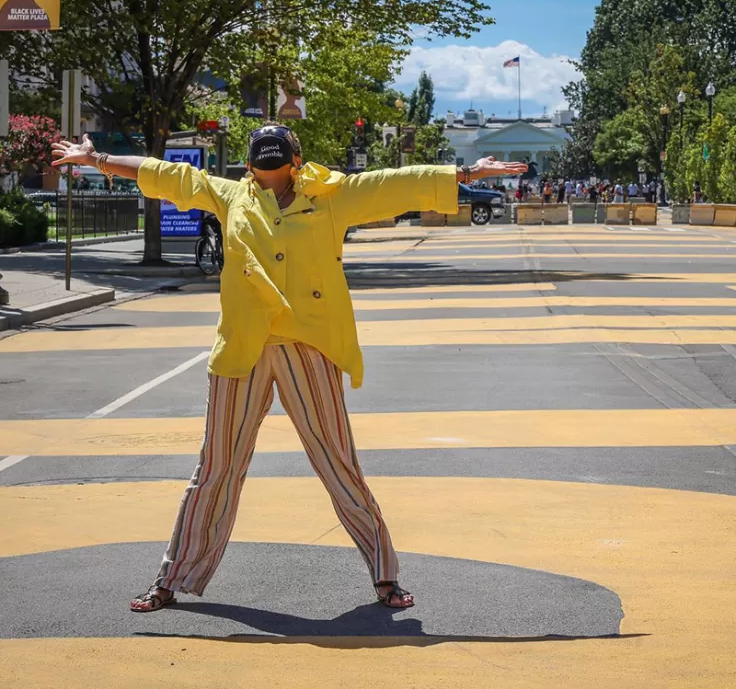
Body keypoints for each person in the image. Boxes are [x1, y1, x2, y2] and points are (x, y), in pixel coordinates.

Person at [51, 127, 526, 613]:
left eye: (277, 163)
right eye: (262, 164)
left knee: (338, 463)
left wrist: (464, 173)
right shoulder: (231, 195)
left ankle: (385, 577)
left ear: (296, 162)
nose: (269, 172)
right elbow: (170, 177)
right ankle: (173, 578)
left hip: (309, 345)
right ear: (250, 165)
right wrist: (99, 159)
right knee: (216, 470)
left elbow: (394, 184)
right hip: (243, 349)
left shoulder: (331, 196)